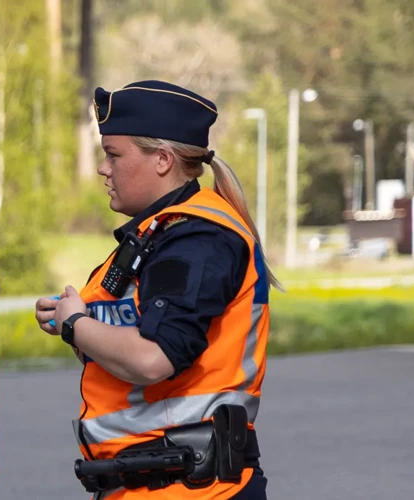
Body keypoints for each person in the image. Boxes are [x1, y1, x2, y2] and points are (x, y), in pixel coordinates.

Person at [35, 80, 274, 499]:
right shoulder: (159, 234)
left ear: (162, 159)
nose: (102, 168)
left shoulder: (198, 238)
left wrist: (75, 323)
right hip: (151, 484)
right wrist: (74, 320)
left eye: (113, 154)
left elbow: (153, 358)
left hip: (192, 488)